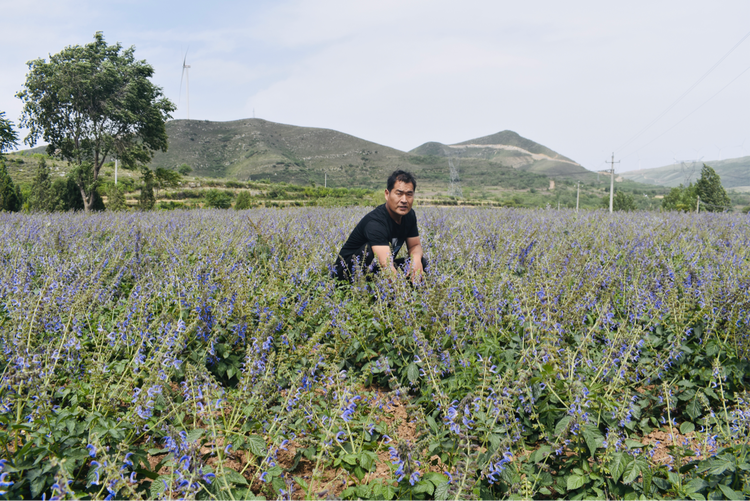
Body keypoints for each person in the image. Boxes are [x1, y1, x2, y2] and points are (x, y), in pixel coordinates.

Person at [333, 170, 427, 282]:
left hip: (375, 267)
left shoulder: (409, 215)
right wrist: (403, 295)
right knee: (369, 250)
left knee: (422, 262)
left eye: (409, 194)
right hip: (345, 273)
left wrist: (415, 259)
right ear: (387, 194)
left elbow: (414, 245)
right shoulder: (375, 222)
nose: (404, 200)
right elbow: (386, 267)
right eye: (399, 193)